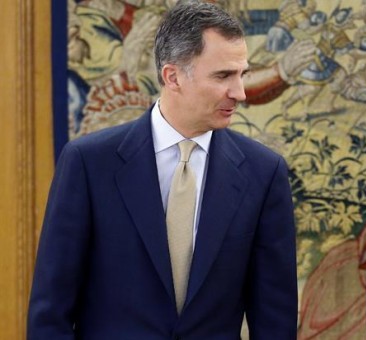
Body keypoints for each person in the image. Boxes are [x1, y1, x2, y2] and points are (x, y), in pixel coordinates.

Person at [28, 1, 298, 338]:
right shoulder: (88, 163)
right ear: (173, 77)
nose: (240, 92)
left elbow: (275, 320)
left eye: (241, 74)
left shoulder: (264, 172)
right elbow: (50, 313)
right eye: (223, 75)